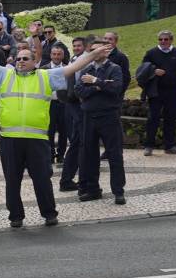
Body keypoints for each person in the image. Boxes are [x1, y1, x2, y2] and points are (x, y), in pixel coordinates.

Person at [0, 25, 102, 228]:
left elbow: (72, 68)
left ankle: (49, 213)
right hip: (10, 139)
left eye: (25, 58)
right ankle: (16, 216)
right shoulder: (6, 74)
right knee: (12, 182)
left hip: (37, 140)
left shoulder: (45, 76)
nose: (20, 61)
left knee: (42, 180)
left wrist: (92, 55)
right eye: (19, 58)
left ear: (34, 62)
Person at [74, 40, 127, 204]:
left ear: (106, 52)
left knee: (114, 154)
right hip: (89, 116)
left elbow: (117, 88)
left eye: (98, 50)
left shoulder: (114, 68)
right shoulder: (86, 69)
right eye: (92, 50)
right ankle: (93, 189)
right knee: (89, 155)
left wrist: (96, 82)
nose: (95, 53)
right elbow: (79, 90)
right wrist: (98, 87)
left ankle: (118, 191)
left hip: (109, 116)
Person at [140, 30, 176, 155]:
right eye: (160, 39)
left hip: (172, 91)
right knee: (153, 118)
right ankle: (149, 146)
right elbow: (142, 70)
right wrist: (154, 71)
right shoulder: (151, 53)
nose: (163, 41)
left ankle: (170, 146)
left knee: (171, 119)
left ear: (171, 40)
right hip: (155, 91)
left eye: (166, 39)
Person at [58, 37, 89, 192]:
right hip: (76, 106)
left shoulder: (77, 60)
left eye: (79, 46)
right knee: (79, 143)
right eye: (74, 46)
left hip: (76, 106)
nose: (76, 48)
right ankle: (69, 180)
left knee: (79, 143)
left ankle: (69, 179)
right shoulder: (76, 61)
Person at [43, 45, 70, 162]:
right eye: (54, 54)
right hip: (49, 103)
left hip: (64, 103)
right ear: (50, 55)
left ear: (63, 55)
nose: (56, 57)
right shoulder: (44, 69)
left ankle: (61, 155)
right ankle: (50, 154)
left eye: (59, 54)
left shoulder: (68, 69)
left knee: (64, 131)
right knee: (50, 130)